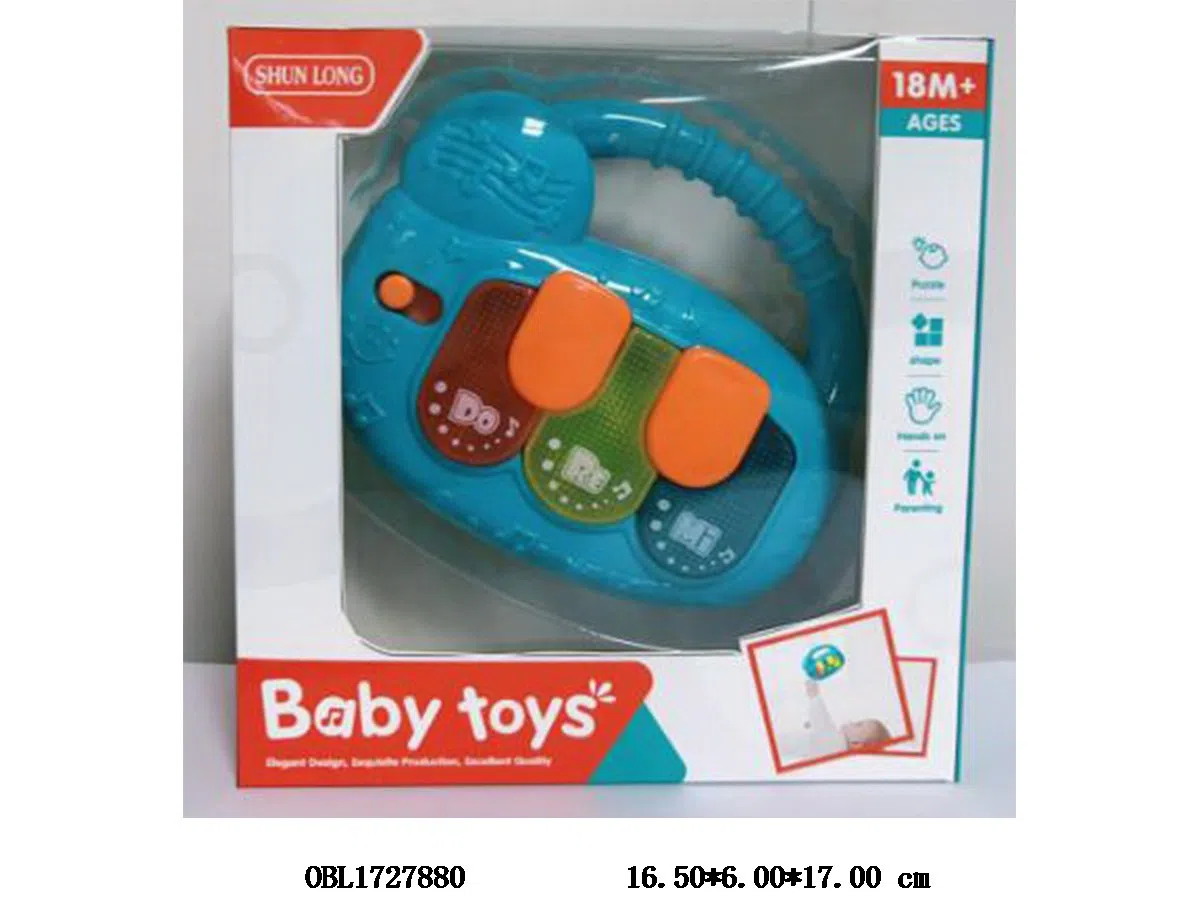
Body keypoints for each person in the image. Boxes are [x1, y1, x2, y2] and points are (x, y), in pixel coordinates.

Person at [787, 679, 891, 760]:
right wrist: (812, 724)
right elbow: (820, 730)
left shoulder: (837, 742)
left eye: (857, 724)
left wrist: (815, 695)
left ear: (857, 745)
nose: (851, 722)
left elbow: (821, 720)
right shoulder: (836, 751)